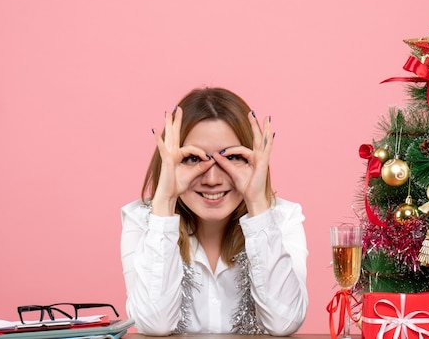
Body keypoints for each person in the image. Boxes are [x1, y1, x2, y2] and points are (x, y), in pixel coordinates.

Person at [120, 87, 308, 336]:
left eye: (230, 158)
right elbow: (154, 324)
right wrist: (165, 200)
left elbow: (284, 323)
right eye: (194, 159)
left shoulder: (282, 218)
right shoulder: (143, 221)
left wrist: (257, 204)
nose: (212, 179)